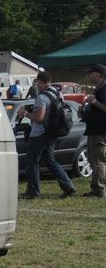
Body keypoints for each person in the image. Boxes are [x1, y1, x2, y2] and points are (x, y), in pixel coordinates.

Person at [18, 71, 77, 200]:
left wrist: (25, 114)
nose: (36, 85)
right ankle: (68, 185)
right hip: (52, 132)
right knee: (50, 160)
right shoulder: (58, 93)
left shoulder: (42, 97)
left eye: (37, 82)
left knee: (32, 162)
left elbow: (39, 118)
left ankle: (32, 191)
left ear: (39, 81)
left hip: (39, 134)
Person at [79, 64, 106, 198]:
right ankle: (97, 188)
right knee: (93, 160)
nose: (89, 76)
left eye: (91, 73)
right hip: (94, 129)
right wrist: (83, 112)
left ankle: (99, 190)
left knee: (98, 161)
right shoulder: (98, 90)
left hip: (100, 131)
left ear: (98, 75)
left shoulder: (104, 89)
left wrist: (94, 101)